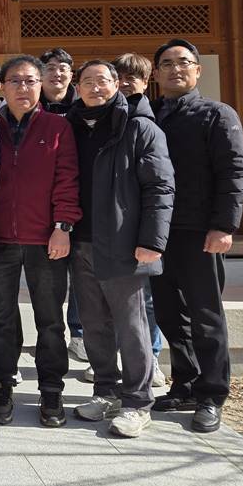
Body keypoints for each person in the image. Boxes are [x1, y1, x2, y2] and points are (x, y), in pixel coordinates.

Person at [66, 60, 174, 438]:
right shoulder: (71, 126)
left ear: (117, 85)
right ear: (77, 87)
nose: (95, 87)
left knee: (131, 325)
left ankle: (137, 402)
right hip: (81, 241)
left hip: (124, 244)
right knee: (93, 323)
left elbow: (160, 187)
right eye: (88, 81)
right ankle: (106, 392)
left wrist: (152, 241)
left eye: (103, 80)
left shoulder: (139, 127)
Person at [150, 38, 243, 433]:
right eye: (167, 63)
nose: (175, 69)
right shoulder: (150, 114)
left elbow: (234, 171)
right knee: (169, 314)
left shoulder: (216, 114)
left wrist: (224, 226)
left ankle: (212, 394)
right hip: (158, 232)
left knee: (206, 315)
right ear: (156, 73)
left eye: (183, 62)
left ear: (197, 70)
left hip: (200, 231)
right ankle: (185, 384)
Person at [0, 55, 80, 428]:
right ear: (2, 87)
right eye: (14, 81)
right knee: (0, 317)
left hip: (46, 239)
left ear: (41, 85)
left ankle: (51, 389)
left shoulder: (58, 126)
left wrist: (63, 226)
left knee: (50, 318)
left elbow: (67, 179)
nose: (22, 88)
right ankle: (3, 385)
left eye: (29, 81)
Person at [110, 52, 167, 388]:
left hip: (139, 225)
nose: (126, 83)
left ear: (147, 82)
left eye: (133, 77)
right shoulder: (106, 117)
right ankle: (121, 362)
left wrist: (152, 236)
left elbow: (159, 184)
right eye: (120, 76)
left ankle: (151, 358)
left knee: (143, 300)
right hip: (111, 226)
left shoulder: (148, 122)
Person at [39, 47, 85, 363]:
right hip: (40, 207)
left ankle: (79, 334)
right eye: (50, 67)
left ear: (72, 74)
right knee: (48, 280)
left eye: (63, 68)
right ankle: (51, 337)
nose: (57, 73)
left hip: (82, 201)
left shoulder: (85, 107)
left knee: (81, 276)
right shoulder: (30, 107)